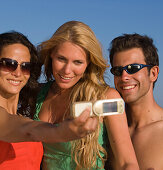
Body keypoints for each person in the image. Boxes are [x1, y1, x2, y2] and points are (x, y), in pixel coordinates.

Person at [0, 31, 99, 170]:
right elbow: (28, 130)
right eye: (9, 64)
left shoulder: (24, 114)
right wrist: (61, 132)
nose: (18, 73)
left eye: (26, 66)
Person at [35, 21, 139, 170]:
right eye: (61, 59)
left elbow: (126, 162)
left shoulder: (106, 98)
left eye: (77, 62)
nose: (67, 70)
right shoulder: (38, 94)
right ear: (51, 54)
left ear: (89, 63)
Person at [109, 33, 163, 170]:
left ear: (153, 73)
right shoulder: (107, 129)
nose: (124, 76)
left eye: (133, 68)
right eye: (118, 70)